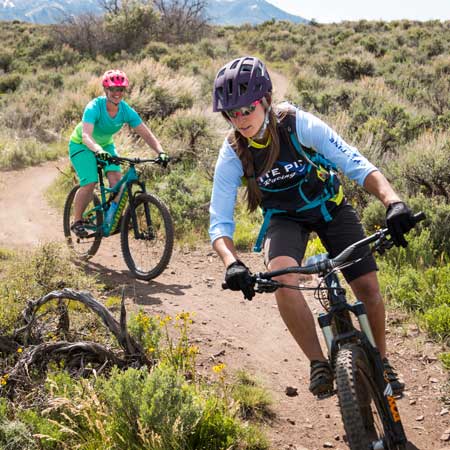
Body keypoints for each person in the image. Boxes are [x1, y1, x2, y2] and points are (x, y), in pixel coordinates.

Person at [209, 56, 416, 397]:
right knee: (282, 276)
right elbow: (219, 220)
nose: (241, 119)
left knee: (367, 286)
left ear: (264, 101)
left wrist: (392, 201)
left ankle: (382, 358)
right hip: (284, 219)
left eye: (247, 109)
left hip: (329, 208)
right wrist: (232, 263)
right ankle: (318, 362)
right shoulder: (232, 151)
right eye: (233, 113)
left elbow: (355, 163)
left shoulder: (297, 124)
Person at [68, 69, 169, 237]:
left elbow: (146, 134)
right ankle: (77, 221)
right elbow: (86, 135)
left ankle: (110, 219)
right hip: (81, 145)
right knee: (90, 181)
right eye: (113, 89)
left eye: (120, 90)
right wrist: (98, 150)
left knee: (119, 184)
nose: (117, 93)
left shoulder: (125, 110)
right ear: (106, 90)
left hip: (105, 145)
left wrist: (161, 152)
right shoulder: (94, 107)